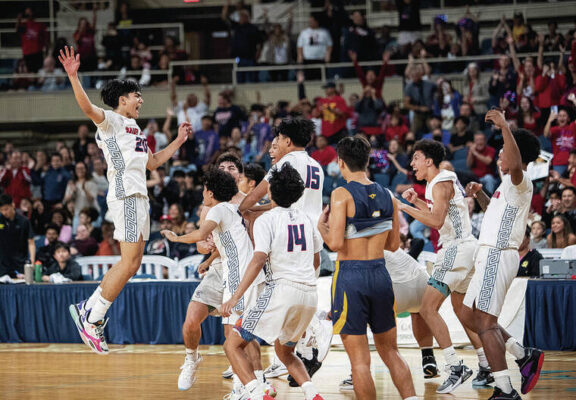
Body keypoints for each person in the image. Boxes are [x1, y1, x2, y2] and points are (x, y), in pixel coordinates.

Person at [59, 46, 190, 355]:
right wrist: (73, 77)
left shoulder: (135, 127)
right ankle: (92, 317)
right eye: (136, 96)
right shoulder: (112, 122)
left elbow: (153, 163)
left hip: (139, 195)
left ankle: (88, 308)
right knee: (130, 262)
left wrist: (179, 141)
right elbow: (88, 108)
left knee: (133, 263)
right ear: (123, 99)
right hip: (126, 195)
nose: (140, 100)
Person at [317, 136, 416, 400]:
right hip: (380, 274)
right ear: (368, 160)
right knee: (391, 351)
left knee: (360, 362)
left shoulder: (340, 193)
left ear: (340, 162)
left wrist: (322, 229)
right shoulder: (388, 195)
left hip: (351, 277)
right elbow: (394, 245)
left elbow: (336, 243)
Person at [162, 168, 271, 398]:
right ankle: (254, 384)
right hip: (250, 274)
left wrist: (176, 237)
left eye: (204, 190)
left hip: (238, 277)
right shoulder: (232, 209)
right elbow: (226, 243)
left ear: (210, 193)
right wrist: (209, 260)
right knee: (238, 336)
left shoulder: (219, 209)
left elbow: (201, 235)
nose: (202, 193)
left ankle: (251, 389)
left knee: (233, 342)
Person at [221, 164, 325, 400]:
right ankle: (313, 394)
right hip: (309, 293)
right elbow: (316, 260)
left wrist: (235, 297)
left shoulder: (266, 220)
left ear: (270, 192)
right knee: (284, 351)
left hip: (282, 289)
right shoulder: (307, 219)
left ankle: (256, 394)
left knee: (232, 344)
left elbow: (258, 259)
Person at [240, 117, 331, 382]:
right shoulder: (317, 166)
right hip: (311, 237)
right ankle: (295, 352)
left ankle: (316, 329)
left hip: (289, 233)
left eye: (278, 139)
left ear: (287, 141)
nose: (276, 143)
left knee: (279, 291)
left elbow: (259, 194)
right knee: (298, 294)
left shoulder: (285, 163)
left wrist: (241, 209)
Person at [462, 113, 545, 399]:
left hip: (498, 254)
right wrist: (481, 195)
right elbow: (497, 214)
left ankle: (504, 388)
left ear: (516, 155)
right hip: (490, 254)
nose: (499, 155)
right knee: (469, 314)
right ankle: (523, 355)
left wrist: (504, 126)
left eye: (503, 151)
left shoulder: (520, 179)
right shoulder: (506, 184)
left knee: (485, 323)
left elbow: (512, 158)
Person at [400, 139, 488, 393]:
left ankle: (455, 365)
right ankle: (486, 363)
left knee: (427, 308)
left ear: (428, 160)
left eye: (416, 157)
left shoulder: (439, 182)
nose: (412, 163)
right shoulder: (440, 182)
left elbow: (437, 221)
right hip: (467, 247)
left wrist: (404, 207)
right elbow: (442, 213)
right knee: (463, 312)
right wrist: (417, 202)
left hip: (456, 249)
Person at [339, 248, 439, 391]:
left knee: (361, 319)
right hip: (421, 278)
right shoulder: (385, 235)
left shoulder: (356, 243)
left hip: (395, 286)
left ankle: (356, 374)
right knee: (417, 312)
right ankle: (428, 358)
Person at [0, 194, 35, 279]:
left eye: (6, 209)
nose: (4, 212)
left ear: (13, 205)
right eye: (1, 210)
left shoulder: (24, 221)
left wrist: (32, 262)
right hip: (2, 265)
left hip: (19, 263)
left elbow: (31, 242)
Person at [15, 7, 48, 73]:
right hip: (27, 53)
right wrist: (19, 20)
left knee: (38, 71)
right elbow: (17, 30)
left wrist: (46, 50)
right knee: (29, 72)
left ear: (33, 13)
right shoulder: (23, 25)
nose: (27, 14)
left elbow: (45, 38)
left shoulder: (40, 24)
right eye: (26, 13)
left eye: (29, 12)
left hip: (37, 52)